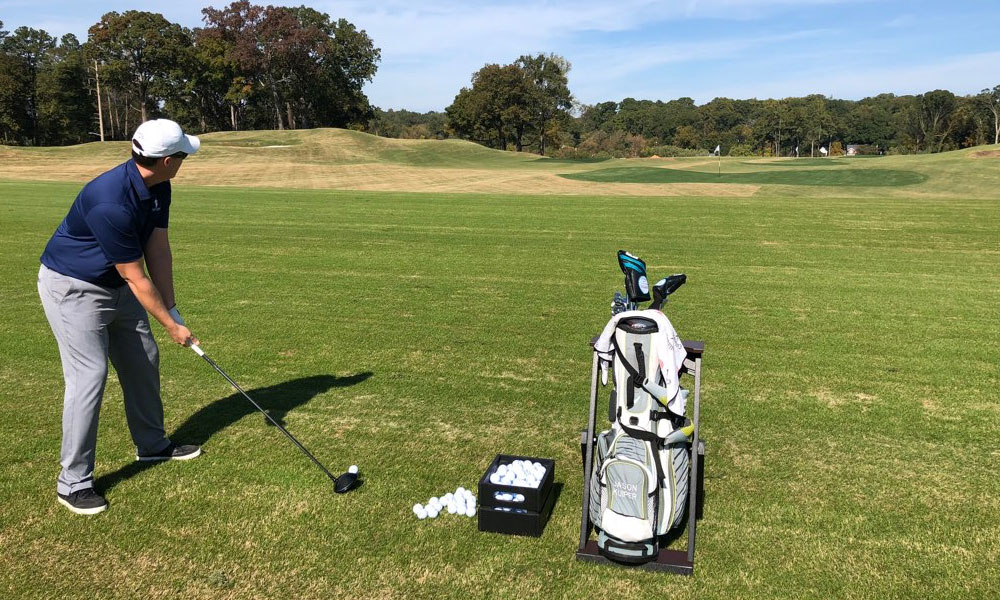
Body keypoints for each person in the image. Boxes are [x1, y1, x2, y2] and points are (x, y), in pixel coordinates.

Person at [38, 119, 203, 515]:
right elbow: (134, 274)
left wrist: (173, 305)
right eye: (182, 155)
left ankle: (152, 445)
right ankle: (73, 482)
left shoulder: (159, 186)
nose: (185, 160)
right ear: (166, 160)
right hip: (74, 289)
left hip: (118, 287)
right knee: (89, 377)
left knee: (143, 359)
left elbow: (157, 247)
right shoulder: (110, 199)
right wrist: (171, 325)